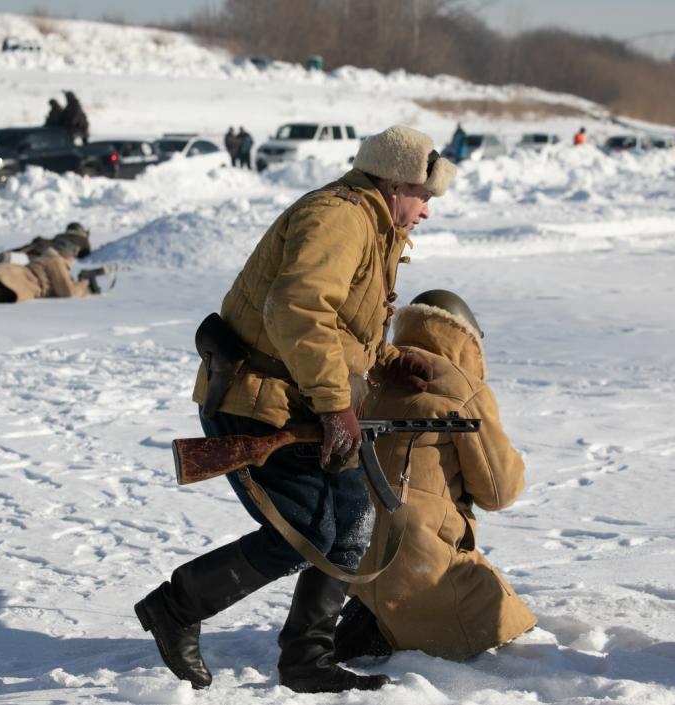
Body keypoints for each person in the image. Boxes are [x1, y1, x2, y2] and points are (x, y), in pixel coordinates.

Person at [133, 125, 457, 693]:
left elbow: (344, 322)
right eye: (424, 197)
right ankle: (175, 607)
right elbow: (298, 311)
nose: (427, 211)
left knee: (351, 529)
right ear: (394, 183)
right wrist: (336, 408)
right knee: (301, 533)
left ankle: (307, 660)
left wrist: (383, 361)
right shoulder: (338, 217)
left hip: (309, 400)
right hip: (259, 401)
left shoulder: (376, 225)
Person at [333, 290, 536, 662]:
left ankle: (373, 617)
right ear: (468, 339)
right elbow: (498, 491)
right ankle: (391, 625)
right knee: (501, 616)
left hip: (349, 553)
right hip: (417, 556)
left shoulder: (367, 370)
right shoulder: (462, 388)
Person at [0, 222, 92, 268]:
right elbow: (85, 254)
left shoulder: (61, 236)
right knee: (28, 259)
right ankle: (4, 259)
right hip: (50, 255)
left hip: (42, 244)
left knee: (21, 251)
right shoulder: (82, 240)